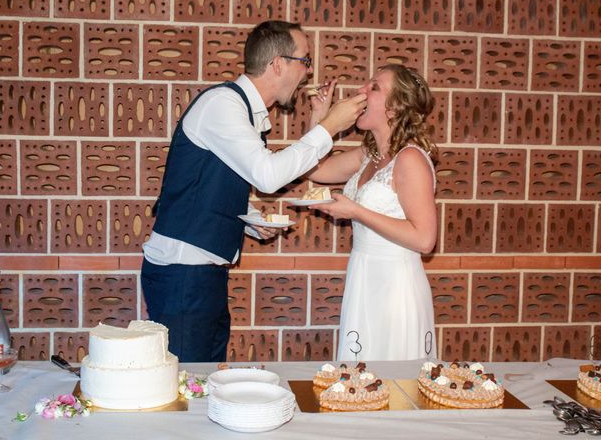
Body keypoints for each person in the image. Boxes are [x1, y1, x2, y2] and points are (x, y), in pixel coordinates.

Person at [141, 20, 367, 362]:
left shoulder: (244, 112)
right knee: (187, 384)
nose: (307, 73)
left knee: (205, 378)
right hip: (184, 273)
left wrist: (250, 219)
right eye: (305, 61)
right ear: (278, 64)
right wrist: (328, 127)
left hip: (200, 273)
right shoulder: (222, 105)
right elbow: (268, 175)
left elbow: (214, 183)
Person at [308, 64, 437, 361]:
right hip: (364, 279)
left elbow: (425, 239)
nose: (361, 92)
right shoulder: (369, 155)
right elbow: (315, 170)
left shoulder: (410, 159)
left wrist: (355, 211)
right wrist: (321, 119)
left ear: (395, 108)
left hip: (395, 287)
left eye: (374, 88)